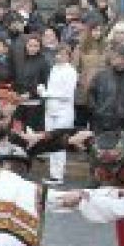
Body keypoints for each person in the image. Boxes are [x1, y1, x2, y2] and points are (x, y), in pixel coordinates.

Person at [40, 43, 78, 184]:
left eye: (63, 54)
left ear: (68, 56)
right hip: (51, 109)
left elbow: (67, 94)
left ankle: (58, 175)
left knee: (59, 143)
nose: (59, 56)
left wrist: (47, 93)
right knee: (50, 142)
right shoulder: (54, 68)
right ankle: (53, 173)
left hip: (64, 111)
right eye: (57, 54)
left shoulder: (71, 71)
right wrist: (43, 90)